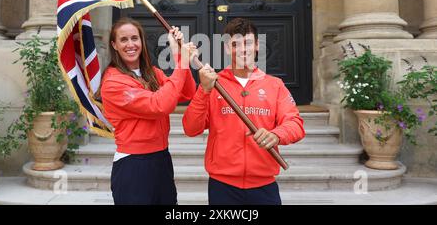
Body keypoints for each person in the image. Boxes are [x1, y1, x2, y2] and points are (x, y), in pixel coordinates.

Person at [182, 18, 305, 205]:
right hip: (223, 186)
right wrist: (204, 90)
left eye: (247, 42)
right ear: (226, 48)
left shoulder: (274, 85)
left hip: (264, 185)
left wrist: (276, 135)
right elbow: (191, 128)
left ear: (257, 45)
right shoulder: (214, 84)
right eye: (235, 44)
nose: (242, 49)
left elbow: (295, 124)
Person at [100, 17, 197, 205]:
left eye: (135, 38)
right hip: (133, 165)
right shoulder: (113, 82)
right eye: (124, 40)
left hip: (161, 159)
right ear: (114, 45)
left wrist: (178, 54)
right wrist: (183, 63)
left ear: (142, 41)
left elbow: (186, 92)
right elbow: (160, 105)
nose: (131, 44)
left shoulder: (151, 73)